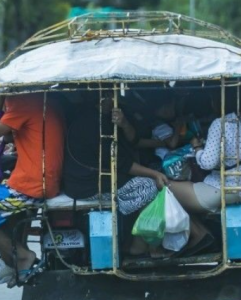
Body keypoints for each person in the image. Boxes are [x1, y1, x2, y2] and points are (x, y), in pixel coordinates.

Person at [0, 93, 64, 287]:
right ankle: (9, 258)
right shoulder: (45, 101)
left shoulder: (23, 103)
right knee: (3, 209)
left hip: (30, 185)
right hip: (47, 181)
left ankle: (20, 256)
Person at [63, 93, 167, 257]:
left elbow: (133, 141)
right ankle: (141, 245)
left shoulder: (106, 118)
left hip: (97, 176)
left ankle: (135, 242)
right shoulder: (91, 123)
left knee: (141, 183)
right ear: (104, 99)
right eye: (113, 97)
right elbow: (122, 163)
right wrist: (155, 174)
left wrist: (124, 123)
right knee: (148, 186)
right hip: (86, 184)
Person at [168, 86, 241, 255]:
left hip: (223, 190)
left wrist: (197, 147)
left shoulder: (221, 123)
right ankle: (203, 233)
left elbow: (208, 162)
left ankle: (200, 233)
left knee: (165, 187)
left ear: (220, 100)